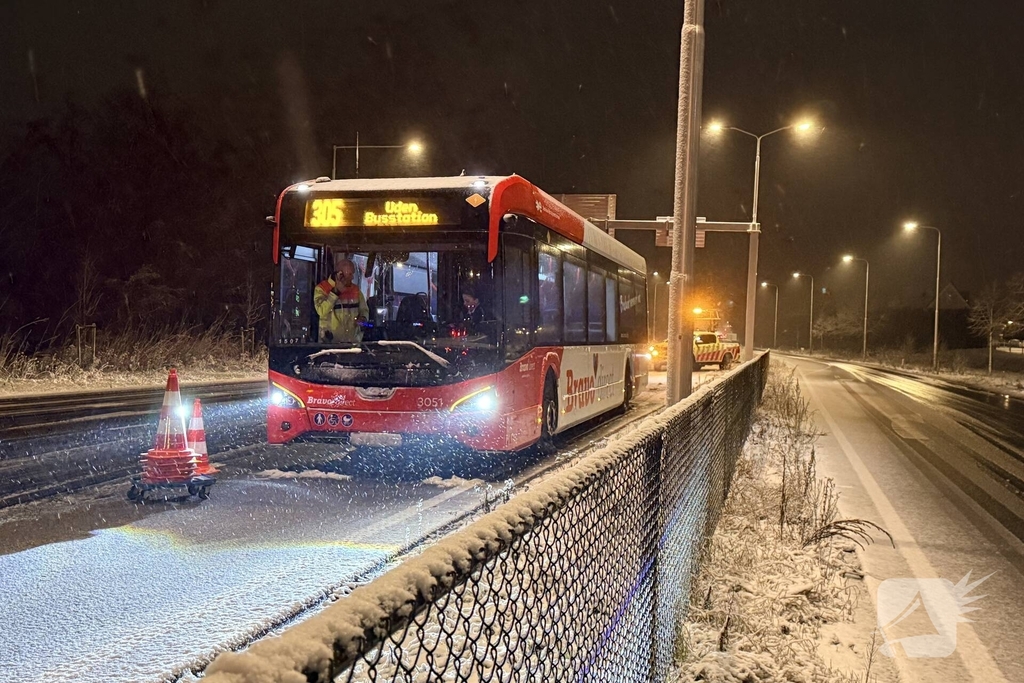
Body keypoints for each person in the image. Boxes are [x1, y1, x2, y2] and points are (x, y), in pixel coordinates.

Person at [314, 258, 369, 342]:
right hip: (329, 346)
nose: (352, 277)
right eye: (350, 274)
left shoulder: (356, 290)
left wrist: (363, 320)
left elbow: (364, 310)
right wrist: (335, 292)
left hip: (352, 345)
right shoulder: (322, 289)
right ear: (340, 274)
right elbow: (321, 311)